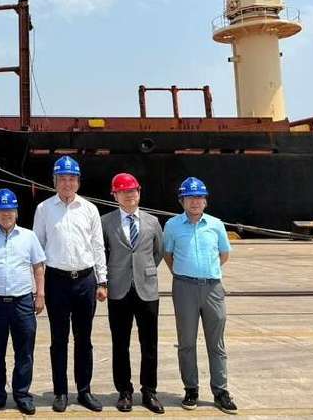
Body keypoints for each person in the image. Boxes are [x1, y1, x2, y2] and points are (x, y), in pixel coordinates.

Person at [33, 155, 107, 413]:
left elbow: (97, 246)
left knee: (84, 339)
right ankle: (61, 391)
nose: (67, 183)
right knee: (59, 339)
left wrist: (102, 280)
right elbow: (37, 249)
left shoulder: (89, 209)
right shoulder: (44, 209)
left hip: (85, 281)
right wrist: (39, 287)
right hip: (57, 281)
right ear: (54, 181)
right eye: (62, 179)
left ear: (78, 182)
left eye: (71, 179)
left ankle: (84, 390)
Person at [163, 177, 238, 415]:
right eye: (189, 198)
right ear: (181, 201)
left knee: (216, 343)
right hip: (184, 287)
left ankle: (220, 391)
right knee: (186, 342)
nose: (194, 202)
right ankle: (191, 389)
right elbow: (168, 255)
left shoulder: (216, 225)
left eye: (199, 198)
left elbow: (224, 254)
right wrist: (185, 273)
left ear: (205, 201)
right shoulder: (172, 226)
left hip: (213, 288)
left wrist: (207, 272)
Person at [0, 188, 45, 416]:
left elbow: (38, 267)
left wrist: (40, 294)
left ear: (17, 212)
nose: (6, 214)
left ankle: (22, 395)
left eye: (10, 210)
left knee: (24, 352)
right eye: (1, 210)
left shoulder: (29, 236)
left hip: (22, 302)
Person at [101, 173, 164, 414]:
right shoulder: (106, 222)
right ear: (115, 195)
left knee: (149, 343)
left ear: (139, 192)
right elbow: (102, 252)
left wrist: (144, 271)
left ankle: (149, 391)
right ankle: (124, 391)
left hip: (147, 289)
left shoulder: (152, 222)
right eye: (123, 191)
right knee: (120, 344)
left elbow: (158, 252)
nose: (129, 195)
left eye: (132, 191)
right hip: (118, 289)